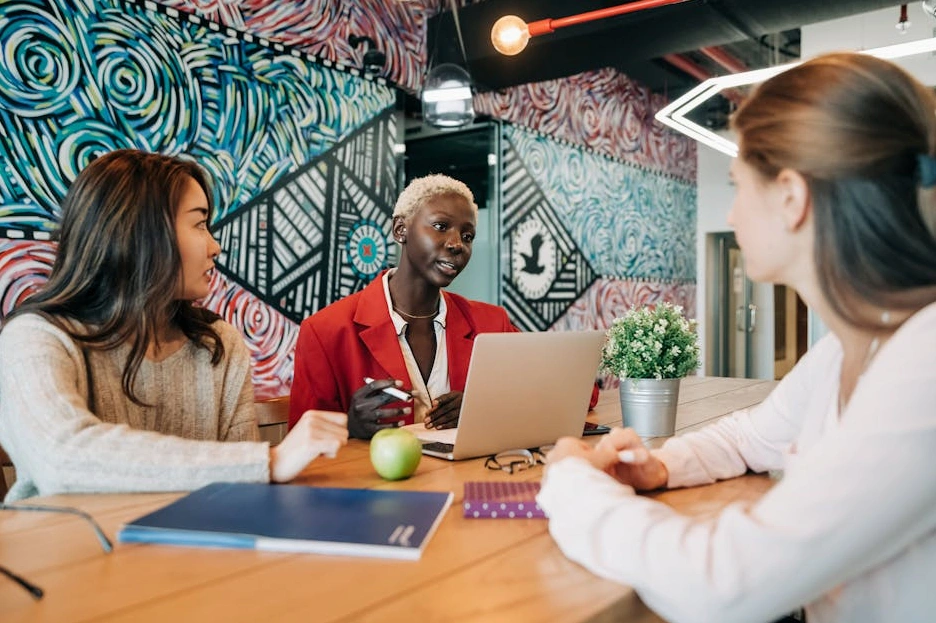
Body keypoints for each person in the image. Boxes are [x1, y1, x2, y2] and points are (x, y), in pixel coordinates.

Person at [536, 53, 936, 623]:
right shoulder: (848, 351)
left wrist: (571, 482)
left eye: (738, 185)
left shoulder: (924, 366)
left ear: (792, 199)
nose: (732, 209)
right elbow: (752, 435)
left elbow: (723, 584)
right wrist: (662, 466)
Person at [0, 149, 348, 502]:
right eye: (199, 224)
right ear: (137, 231)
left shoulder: (218, 345)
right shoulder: (35, 338)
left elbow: (240, 497)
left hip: (187, 551)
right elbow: (61, 459)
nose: (215, 246)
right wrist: (270, 461)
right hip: (62, 551)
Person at [289, 174, 521, 439]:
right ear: (401, 229)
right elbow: (300, 448)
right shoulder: (325, 332)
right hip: (372, 479)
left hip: (469, 478)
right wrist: (349, 427)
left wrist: (482, 408)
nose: (457, 244)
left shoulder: (492, 323)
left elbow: (539, 393)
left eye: (467, 236)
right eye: (441, 226)